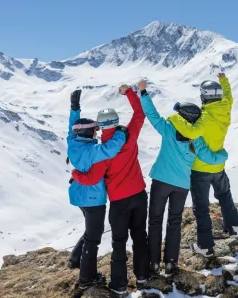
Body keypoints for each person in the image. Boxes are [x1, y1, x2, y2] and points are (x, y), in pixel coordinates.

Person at [136, 79, 229, 277]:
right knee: (175, 222)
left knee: (154, 221)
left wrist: (143, 93)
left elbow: (151, 114)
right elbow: (212, 158)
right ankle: (170, 264)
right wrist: (224, 155)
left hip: (161, 181)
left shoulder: (169, 130)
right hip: (181, 186)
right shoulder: (198, 140)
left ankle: (153, 265)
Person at [72, 84, 149, 295]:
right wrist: (129, 93)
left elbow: (91, 179)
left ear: (101, 127)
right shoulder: (129, 133)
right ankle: (143, 276)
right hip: (140, 195)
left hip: (119, 202)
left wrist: (75, 174)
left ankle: (118, 285)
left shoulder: (101, 152)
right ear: (116, 122)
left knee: (118, 242)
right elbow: (140, 113)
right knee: (140, 235)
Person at [167, 73, 238, 258]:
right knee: (225, 196)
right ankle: (235, 227)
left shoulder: (203, 119)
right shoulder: (225, 108)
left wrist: (174, 117)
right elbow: (229, 96)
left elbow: (190, 132)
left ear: (203, 97)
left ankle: (205, 245)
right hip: (218, 166)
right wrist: (224, 81)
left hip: (200, 169)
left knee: (201, 207)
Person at [66, 89, 128, 289]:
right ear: (87, 132)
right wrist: (120, 133)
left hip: (79, 196)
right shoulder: (93, 151)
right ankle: (86, 279)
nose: (97, 132)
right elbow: (111, 149)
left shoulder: (72, 143)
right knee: (93, 237)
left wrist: (74, 109)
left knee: (91, 230)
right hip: (93, 199)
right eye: (95, 130)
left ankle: (75, 259)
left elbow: (70, 128)